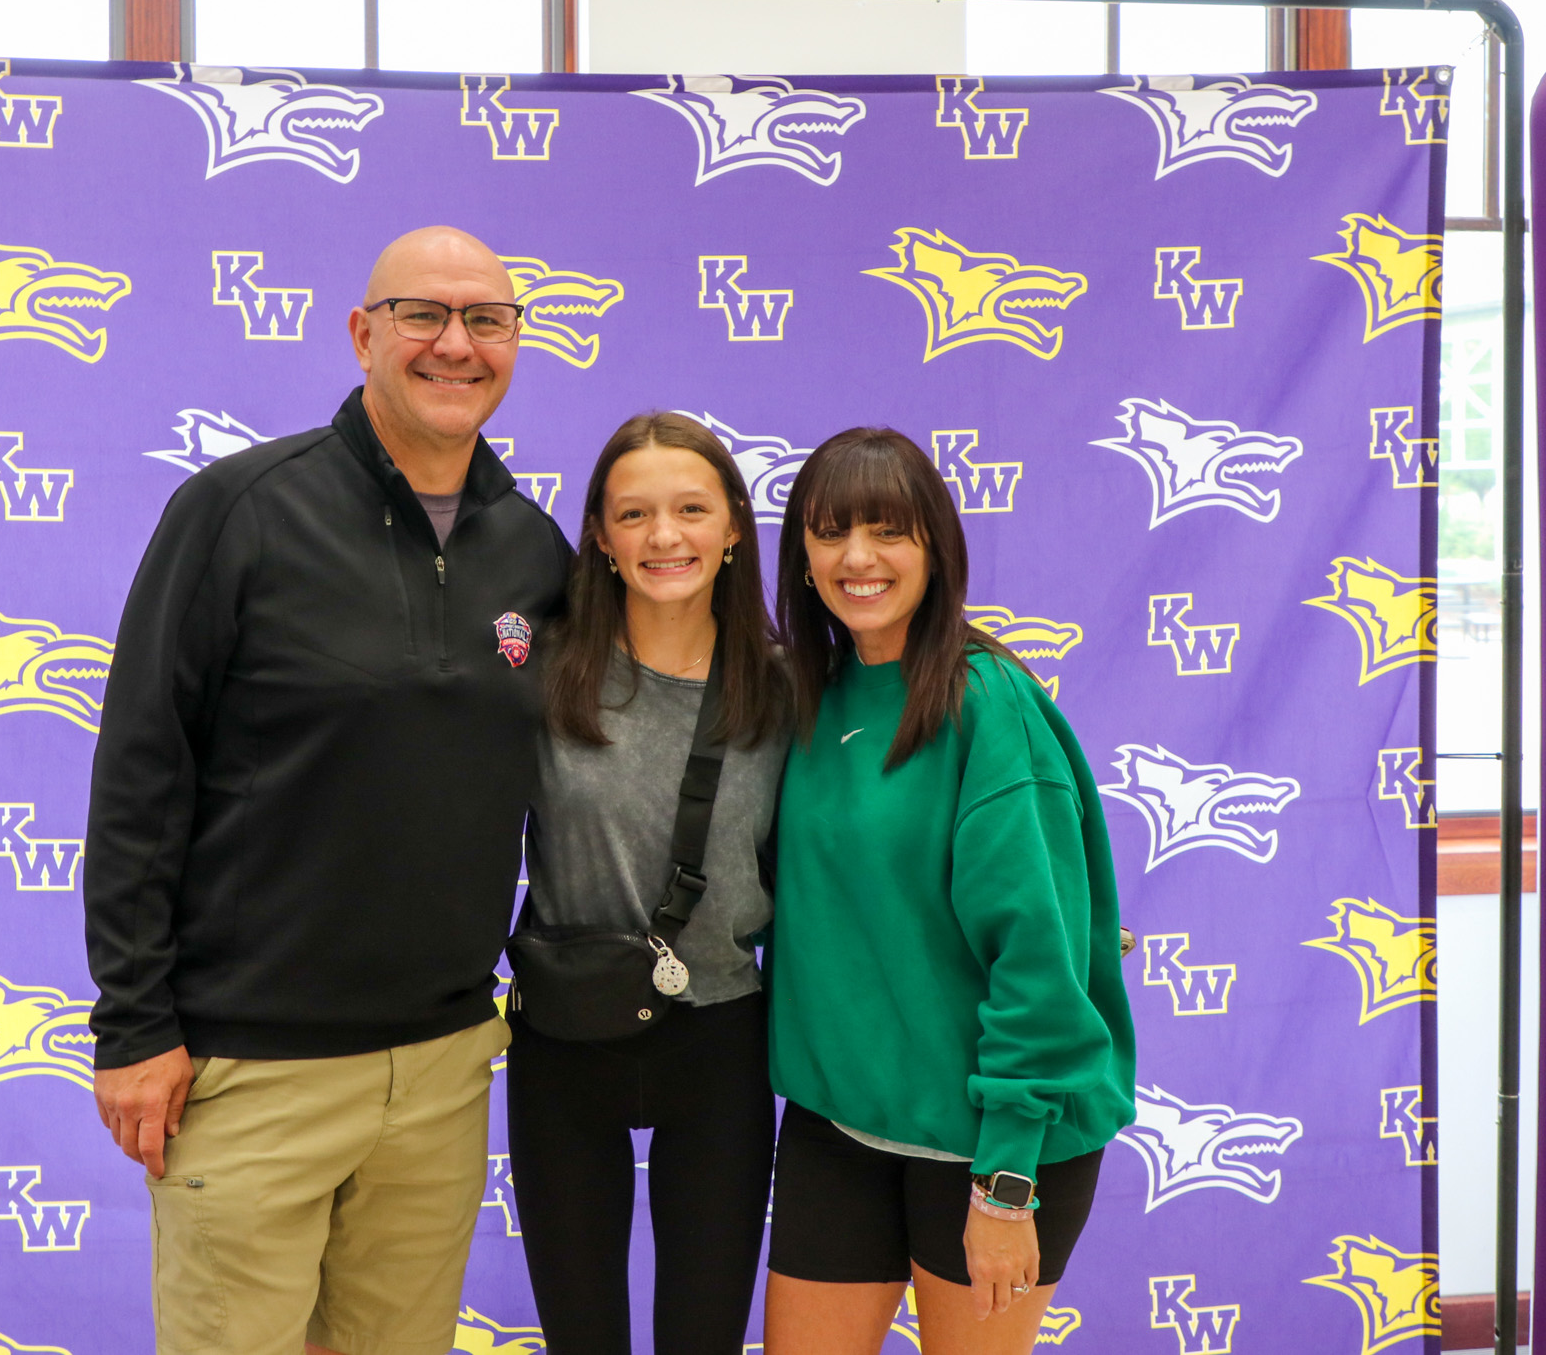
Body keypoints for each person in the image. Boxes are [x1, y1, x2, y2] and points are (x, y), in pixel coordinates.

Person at [83, 225, 572, 1355]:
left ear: (515, 341)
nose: (456, 344)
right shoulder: (240, 509)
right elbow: (142, 770)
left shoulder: (534, 550)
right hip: (252, 1070)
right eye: (422, 315)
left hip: (444, 1067)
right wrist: (133, 1025)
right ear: (362, 334)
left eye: (486, 320)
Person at [760, 428, 1135, 1355]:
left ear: (937, 546)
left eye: (888, 530)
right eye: (831, 532)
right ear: (802, 555)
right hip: (840, 1125)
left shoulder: (987, 705)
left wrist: (1006, 1183)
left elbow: (1039, 959)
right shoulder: (810, 695)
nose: (858, 557)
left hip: (990, 1141)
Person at [506, 412, 791, 1355]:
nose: (664, 535)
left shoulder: (788, 690)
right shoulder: (543, 671)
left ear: (735, 525)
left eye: (691, 509)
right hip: (563, 1036)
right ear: (599, 534)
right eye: (634, 513)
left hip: (720, 1040)